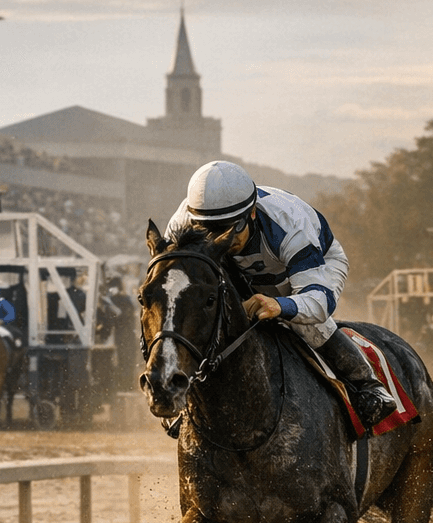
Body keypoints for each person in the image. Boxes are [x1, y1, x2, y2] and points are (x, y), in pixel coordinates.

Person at [166, 160, 396, 429]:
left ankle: (368, 386)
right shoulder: (183, 225)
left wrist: (279, 305)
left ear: (252, 213)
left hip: (306, 270)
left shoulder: (289, 225)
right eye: (213, 232)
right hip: (242, 274)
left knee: (308, 325)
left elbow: (321, 302)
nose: (224, 240)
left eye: (232, 229)